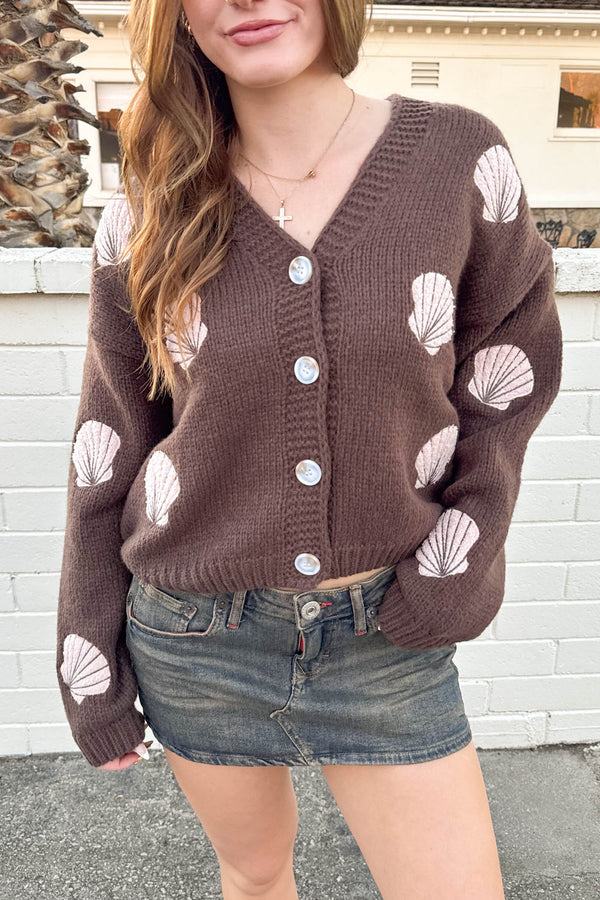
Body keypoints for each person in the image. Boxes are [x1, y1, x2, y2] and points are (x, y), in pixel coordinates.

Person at [55, 0, 563, 896]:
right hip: (192, 635)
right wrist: (87, 655)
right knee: (255, 879)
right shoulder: (154, 198)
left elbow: (508, 384)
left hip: (384, 639)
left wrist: (456, 564)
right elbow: (109, 439)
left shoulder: (457, 159)